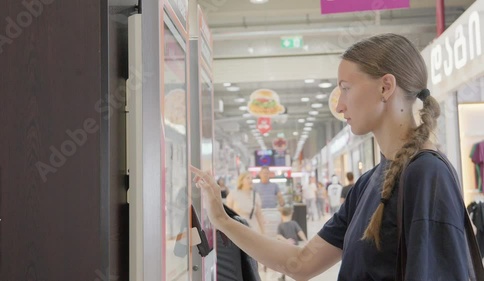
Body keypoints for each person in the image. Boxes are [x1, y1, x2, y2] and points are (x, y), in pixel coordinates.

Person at [191, 33, 473, 280]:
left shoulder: (426, 175)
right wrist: (223, 221)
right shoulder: (368, 184)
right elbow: (301, 263)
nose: (339, 105)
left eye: (346, 89)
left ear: (386, 87)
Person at [276, 206, 308, 281]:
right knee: (296, 261)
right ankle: (299, 275)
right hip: (294, 247)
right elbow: (300, 232)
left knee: (284, 262)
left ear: (282, 215)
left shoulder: (280, 225)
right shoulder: (294, 223)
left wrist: (286, 240)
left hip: (285, 247)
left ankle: (283, 276)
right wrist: (305, 240)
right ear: (291, 214)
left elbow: (278, 236)